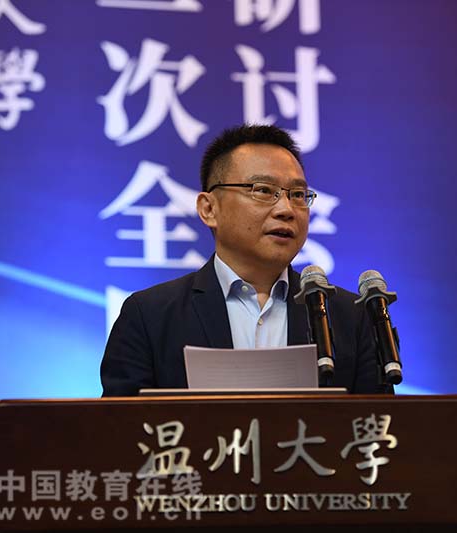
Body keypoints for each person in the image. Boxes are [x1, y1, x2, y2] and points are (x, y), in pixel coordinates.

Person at [101, 124, 390, 396]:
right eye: (263, 190)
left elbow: (377, 426)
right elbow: (119, 427)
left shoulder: (350, 317)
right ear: (209, 209)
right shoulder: (150, 315)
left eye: (298, 194)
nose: (286, 209)